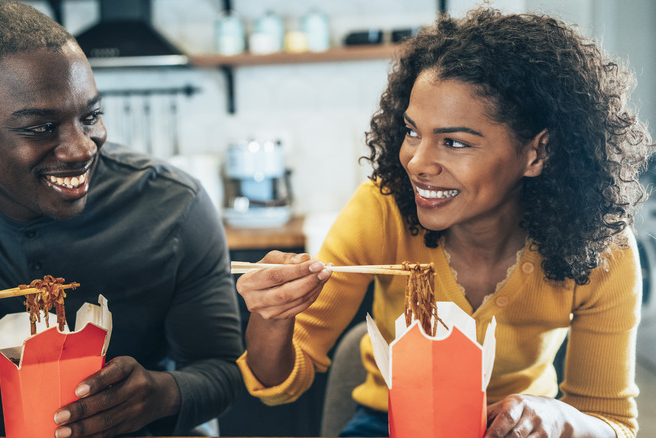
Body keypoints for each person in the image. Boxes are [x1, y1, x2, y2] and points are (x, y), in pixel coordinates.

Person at [235, 8, 652, 438]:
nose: (416, 162)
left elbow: (611, 423)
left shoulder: (600, 246)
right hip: (388, 422)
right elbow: (276, 388)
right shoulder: (383, 211)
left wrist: (558, 418)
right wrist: (271, 317)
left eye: (453, 142)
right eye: (413, 131)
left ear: (538, 153)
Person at [0, 2, 242, 437]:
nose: (82, 149)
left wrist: (161, 393)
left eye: (90, 116)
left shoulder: (174, 206)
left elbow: (223, 371)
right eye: (41, 127)